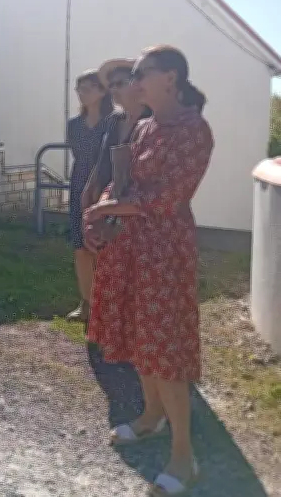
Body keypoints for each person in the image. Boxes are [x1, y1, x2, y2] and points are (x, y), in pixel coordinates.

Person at [84, 46, 213, 496]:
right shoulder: (142, 126)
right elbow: (126, 184)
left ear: (171, 79)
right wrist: (98, 212)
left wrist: (108, 208)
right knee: (140, 335)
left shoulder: (194, 130)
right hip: (130, 247)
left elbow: (167, 197)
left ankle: (183, 454)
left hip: (164, 253)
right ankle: (150, 416)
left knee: (165, 346)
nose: (134, 79)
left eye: (142, 72)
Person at [65, 70, 113, 322]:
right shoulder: (74, 125)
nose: (83, 93)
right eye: (79, 89)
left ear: (102, 91)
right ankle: (86, 302)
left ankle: (104, 304)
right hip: (79, 185)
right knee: (80, 247)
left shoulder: (113, 122)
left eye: (88, 88)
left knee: (100, 248)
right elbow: (79, 154)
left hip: (105, 187)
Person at [81, 58, 151, 210]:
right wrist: (90, 187)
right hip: (103, 199)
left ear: (137, 84)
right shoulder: (114, 120)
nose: (113, 90)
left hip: (134, 205)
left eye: (120, 84)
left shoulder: (151, 121)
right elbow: (102, 158)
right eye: (111, 85)